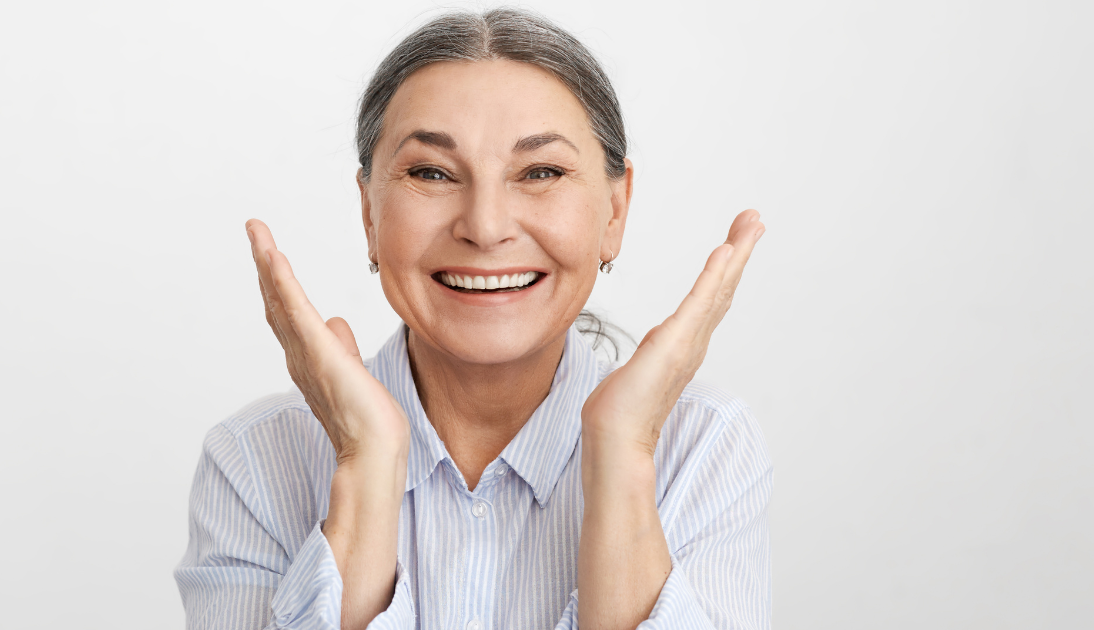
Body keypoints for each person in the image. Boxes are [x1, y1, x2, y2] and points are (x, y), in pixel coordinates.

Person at [175, 7, 770, 630]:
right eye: (431, 172)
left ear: (615, 210)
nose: (485, 228)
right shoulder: (254, 458)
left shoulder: (703, 447)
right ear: (369, 213)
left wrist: (623, 453)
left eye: (541, 172)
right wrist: (366, 461)